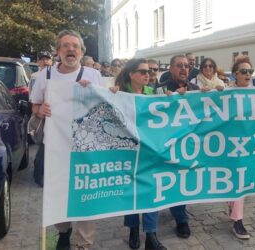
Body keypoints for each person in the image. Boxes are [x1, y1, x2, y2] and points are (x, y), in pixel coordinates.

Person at [30, 29, 102, 250]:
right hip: (55, 147)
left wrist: (92, 94)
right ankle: (63, 232)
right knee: (59, 192)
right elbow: (34, 106)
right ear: (58, 50)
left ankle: (84, 243)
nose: (71, 50)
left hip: (85, 147)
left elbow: (106, 108)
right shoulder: (45, 75)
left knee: (86, 193)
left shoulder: (93, 76)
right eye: (65, 46)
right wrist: (40, 110)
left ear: (82, 51)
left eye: (75, 46)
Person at [113, 58, 167, 250]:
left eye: (149, 72)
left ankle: (151, 235)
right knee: (133, 192)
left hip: (149, 150)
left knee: (152, 190)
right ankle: (134, 230)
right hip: (127, 151)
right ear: (131, 74)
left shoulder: (153, 93)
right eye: (143, 72)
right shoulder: (119, 93)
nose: (148, 75)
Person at [155, 55, 199, 239]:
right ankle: (179, 218)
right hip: (163, 144)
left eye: (187, 66)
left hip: (189, 144)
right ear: (171, 68)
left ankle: (181, 217)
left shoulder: (196, 89)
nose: (184, 69)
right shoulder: (158, 90)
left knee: (182, 180)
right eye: (179, 66)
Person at [227, 55, 255, 239]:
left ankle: (235, 212)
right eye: (244, 71)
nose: (248, 74)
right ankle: (237, 220)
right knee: (237, 182)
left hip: (252, 145)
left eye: (250, 71)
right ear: (235, 75)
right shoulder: (226, 93)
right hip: (230, 145)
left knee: (243, 182)